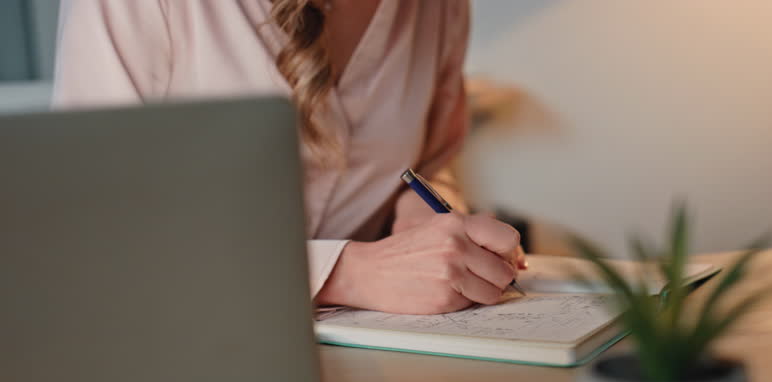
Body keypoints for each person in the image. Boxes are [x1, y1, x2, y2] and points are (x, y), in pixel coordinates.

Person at [53, 0, 524, 314]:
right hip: (182, 355)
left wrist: (419, 212)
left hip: (386, 356)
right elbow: (91, 241)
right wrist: (345, 274)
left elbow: (430, 164)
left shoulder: (437, 9)